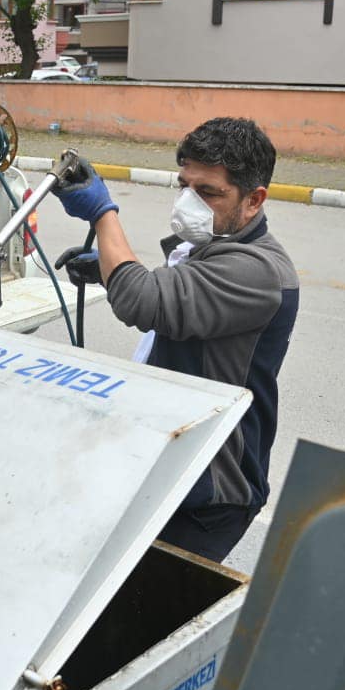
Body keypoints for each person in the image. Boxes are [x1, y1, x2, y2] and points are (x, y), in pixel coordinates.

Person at [56, 117, 299, 563]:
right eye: (184, 185)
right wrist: (108, 269)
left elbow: (144, 301)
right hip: (172, 466)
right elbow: (172, 291)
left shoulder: (259, 271)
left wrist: (102, 215)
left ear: (254, 200)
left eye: (208, 192)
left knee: (144, 617)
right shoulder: (214, 245)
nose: (189, 202)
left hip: (210, 493)